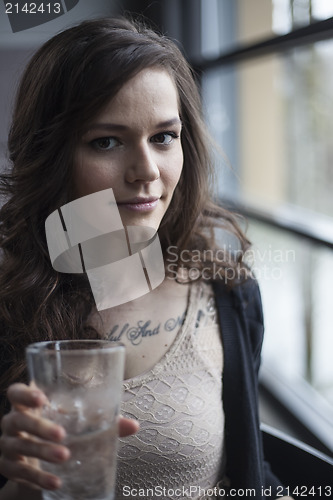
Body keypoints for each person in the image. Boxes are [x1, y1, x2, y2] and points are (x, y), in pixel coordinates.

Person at [0, 16, 292, 500]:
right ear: (51, 153)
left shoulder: (227, 290)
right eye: (106, 142)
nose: (146, 171)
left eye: (163, 137)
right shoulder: (10, 301)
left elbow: (249, 468)